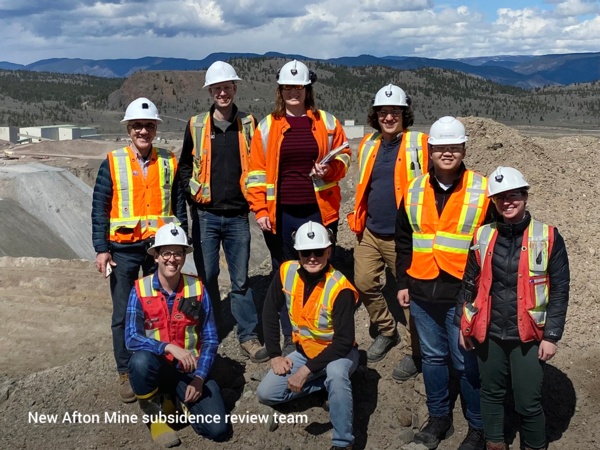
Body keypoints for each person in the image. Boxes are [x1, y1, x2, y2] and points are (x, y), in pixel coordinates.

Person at [395, 116, 492, 450]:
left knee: (465, 362)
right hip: (422, 288)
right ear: (430, 150)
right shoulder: (415, 187)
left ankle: (478, 428)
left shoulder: (482, 189)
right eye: (441, 148)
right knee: (434, 358)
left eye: (454, 147)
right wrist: (402, 281)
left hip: (462, 292)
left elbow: (491, 245)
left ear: (464, 149)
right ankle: (439, 419)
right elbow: (404, 238)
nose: (447, 153)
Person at [457, 167, 570, 450]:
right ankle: (496, 443)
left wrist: (551, 336)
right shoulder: (482, 235)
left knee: (528, 401)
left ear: (525, 197)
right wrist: (465, 326)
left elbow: (559, 291)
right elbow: (469, 285)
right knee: (491, 393)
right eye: (500, 198)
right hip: (489, 332)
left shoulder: (549, 237)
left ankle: (534, 445)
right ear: (493, 202)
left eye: (513, 196)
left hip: (528, 336)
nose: (507, 202)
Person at [246, 59, 351, 355]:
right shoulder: (267, 127)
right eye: (289, 87)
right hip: (282, 216)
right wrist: (261, 211)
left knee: (320, 272)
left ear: (308, 90)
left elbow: (344, 157)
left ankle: (323, 334)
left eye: (300, 87)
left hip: (319, 212)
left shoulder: (327, 123)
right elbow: (255, 174)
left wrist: (328, 171)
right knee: (286, 274)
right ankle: (290, 336)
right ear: (281, 90)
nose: (294, 92)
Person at [91, 97, 188, 403]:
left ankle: (157, 364)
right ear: (129, 129)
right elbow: (100, 207)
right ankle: (125, 372)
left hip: (158, 250)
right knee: (123, 313)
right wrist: (101, 249)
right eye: (137, 126)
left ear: (155, 128)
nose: (143, 131)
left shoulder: (168, 160)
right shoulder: (113, 161)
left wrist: (181, 241)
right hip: (124, 250)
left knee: (158, 308)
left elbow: (178, 204)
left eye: (148, 125)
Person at [177, 60, 268, 363]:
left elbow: (261, 163)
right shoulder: (197, 124)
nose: (222, 93)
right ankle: (210, 330)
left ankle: (248, 336)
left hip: (238, 216)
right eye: (217, 89)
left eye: (226, 87)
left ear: (234, 88)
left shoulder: (250, 124)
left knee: (240, 279)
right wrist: (192, 195)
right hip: (206, 216)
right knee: (209, 276)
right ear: (210, 92)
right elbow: (185, 166)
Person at [257, 221, 359, 450]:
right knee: (266, 393)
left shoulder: (339, 288)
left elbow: (343, 342)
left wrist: (305, 371)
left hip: (339, 355)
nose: (312, 257)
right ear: (298, 252)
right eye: (306, 252)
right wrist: (274, 354)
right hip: (304, 351)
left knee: (335, 372)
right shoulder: (287, 271)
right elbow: (269, 310)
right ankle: (331, 387)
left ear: (329, 251)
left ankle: (343, 442)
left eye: (319, 251)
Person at [347, 83, 428, 370]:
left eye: (395, 111)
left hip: (404, 237)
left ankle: (415, 351)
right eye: (383, 112)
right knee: (365, 283)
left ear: (405, 114)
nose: (389, 117)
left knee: (410, 297)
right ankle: (386, 330)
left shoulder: (420, 143)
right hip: (370, 232)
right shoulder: (368, 145)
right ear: (375, 115)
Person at [125, 223, 228, 447]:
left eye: (178, 253)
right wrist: (168, 347)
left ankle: (176, 402)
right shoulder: (140, 290)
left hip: (189, 370)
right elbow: (131, 337)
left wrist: (200, 379)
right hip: (157, 367)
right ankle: (155, 416)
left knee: (218, 429)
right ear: (156, 256)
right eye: (167, 253)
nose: (172, 259)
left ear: (184, 256)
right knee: (139, 360)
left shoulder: (198, 288)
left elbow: (210, 339)